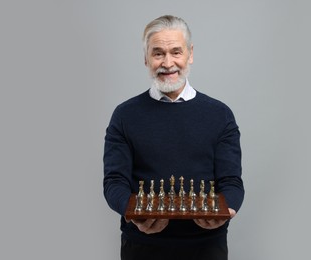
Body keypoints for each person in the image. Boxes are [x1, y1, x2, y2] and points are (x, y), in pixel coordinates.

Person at [103, 15, 244, 260]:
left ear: (190, 54)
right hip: (142, 245)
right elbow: (114, 182)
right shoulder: (124, 115)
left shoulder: (220, 114)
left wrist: (226, 209)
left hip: (206, 246)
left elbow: (231, 182)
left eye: (176, 52)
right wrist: (133, 213)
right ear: (145, 58)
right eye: (158, 53)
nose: (168, 63)